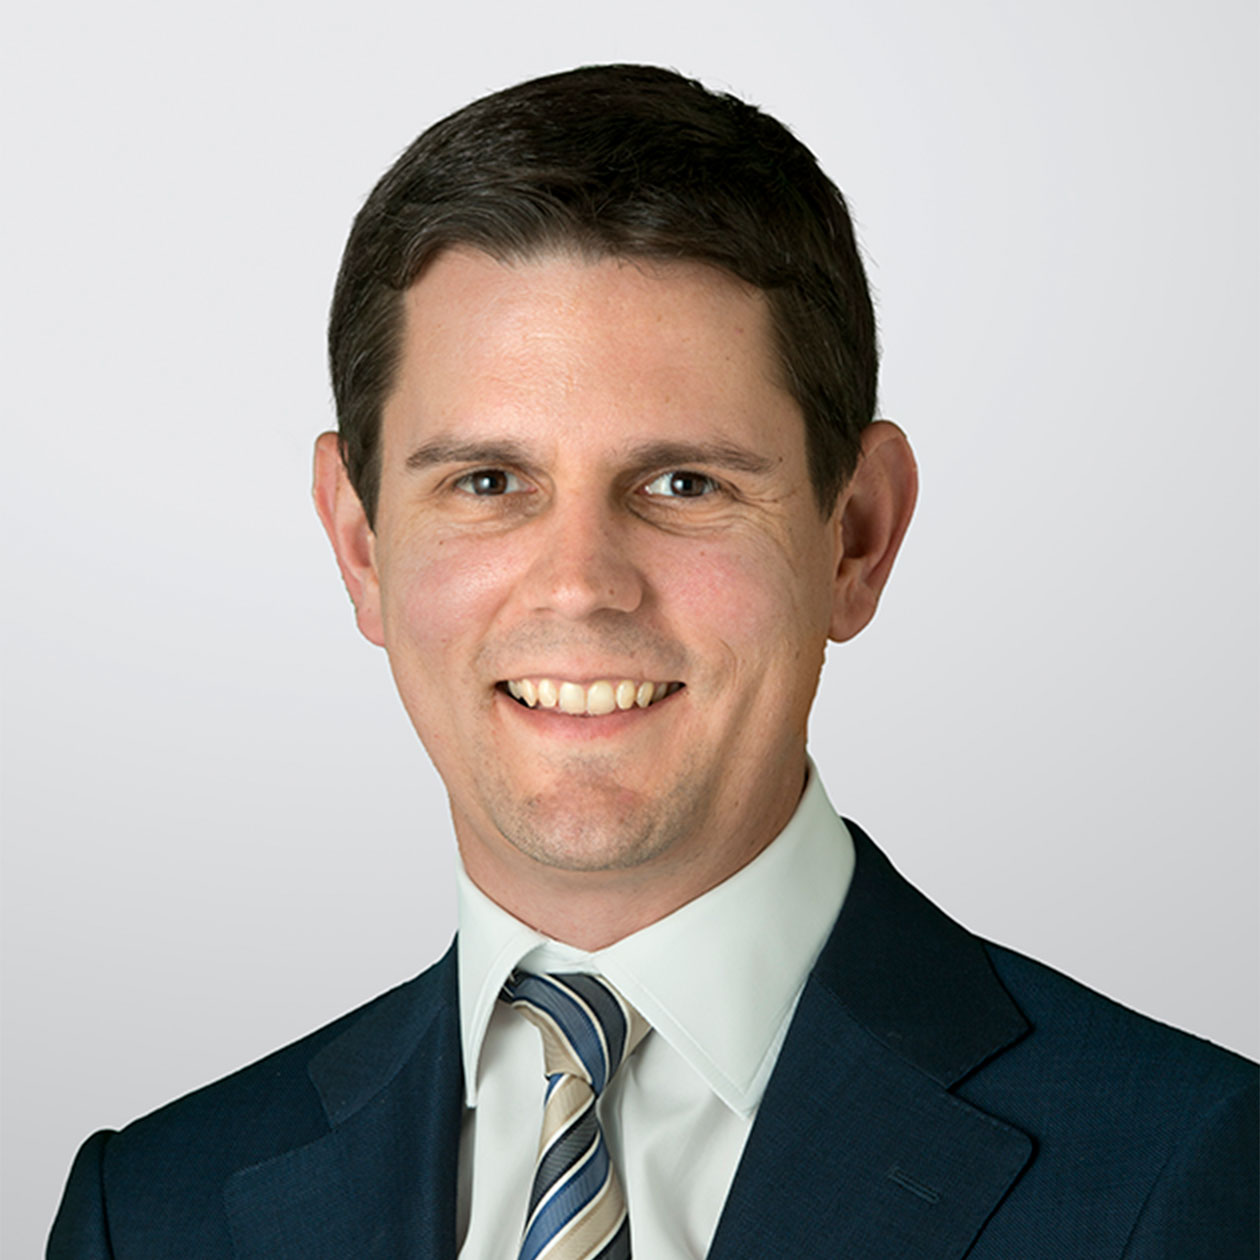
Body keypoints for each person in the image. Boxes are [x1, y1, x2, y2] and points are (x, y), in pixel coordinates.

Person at [48, 63, 1256, 1260]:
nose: (580, 584)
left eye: (684, 484)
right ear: (361, 547)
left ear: (856, 538)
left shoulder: (1189, 1171)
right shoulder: (149, 1212)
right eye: (488, 482)